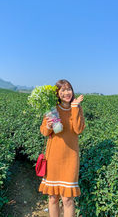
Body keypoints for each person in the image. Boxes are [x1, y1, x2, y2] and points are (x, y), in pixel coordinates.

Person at [38, 79, 86, 217]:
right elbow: (44, 132)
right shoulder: (52, 109)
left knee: (67, 199)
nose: (67, 93)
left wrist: (75, 107)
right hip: (53, 157)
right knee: (53, 198)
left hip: (70, 157)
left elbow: (78, 129)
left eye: (69, 89)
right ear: (57, 93)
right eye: (63, 90)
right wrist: (48, 125)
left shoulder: (77, 108)